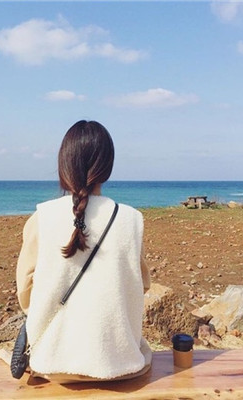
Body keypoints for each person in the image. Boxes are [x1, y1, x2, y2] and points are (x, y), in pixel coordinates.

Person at [16, 120, 152, 383]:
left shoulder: (42, 217)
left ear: (63, 164)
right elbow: (142, 285)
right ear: (107, 167)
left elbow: (25, 293)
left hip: (51, 364)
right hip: (121, 364)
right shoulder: (131, 219)